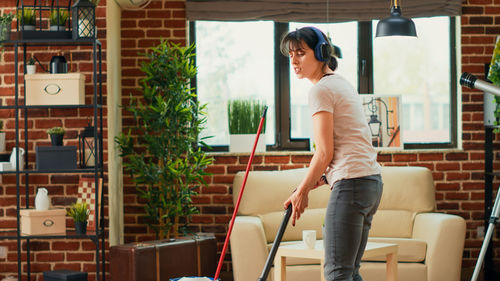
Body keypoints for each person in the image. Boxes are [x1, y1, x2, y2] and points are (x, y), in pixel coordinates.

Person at [281, 26, 383, 281]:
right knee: (349, 272)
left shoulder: (320, 90)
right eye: (291, 54)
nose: (294, 60)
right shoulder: (341, 84)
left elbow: (324, 152)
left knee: (337, 274)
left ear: (321, 52)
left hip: (352, 185)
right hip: (370, 183)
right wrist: (319, 181)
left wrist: (301, 191)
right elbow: (350, 144)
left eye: (301, 53)